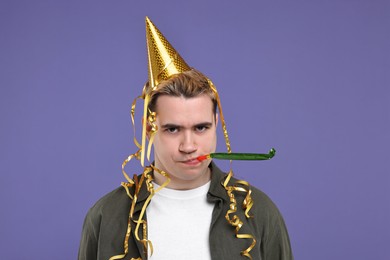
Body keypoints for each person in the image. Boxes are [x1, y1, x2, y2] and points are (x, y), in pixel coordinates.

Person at [78, 17, 293, 260]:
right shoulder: (106, 216)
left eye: (201, 128)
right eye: (172, 129)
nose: (189, 146)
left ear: (216, 125)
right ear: (149, 129)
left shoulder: (258, 212)